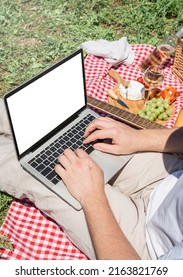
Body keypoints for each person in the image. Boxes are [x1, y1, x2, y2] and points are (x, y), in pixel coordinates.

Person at [0, 97, 183, 259]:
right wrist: (137, 137)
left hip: (145, 245)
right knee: (72, 129)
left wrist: (91, 197)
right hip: (169, 175)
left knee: (45, 174)